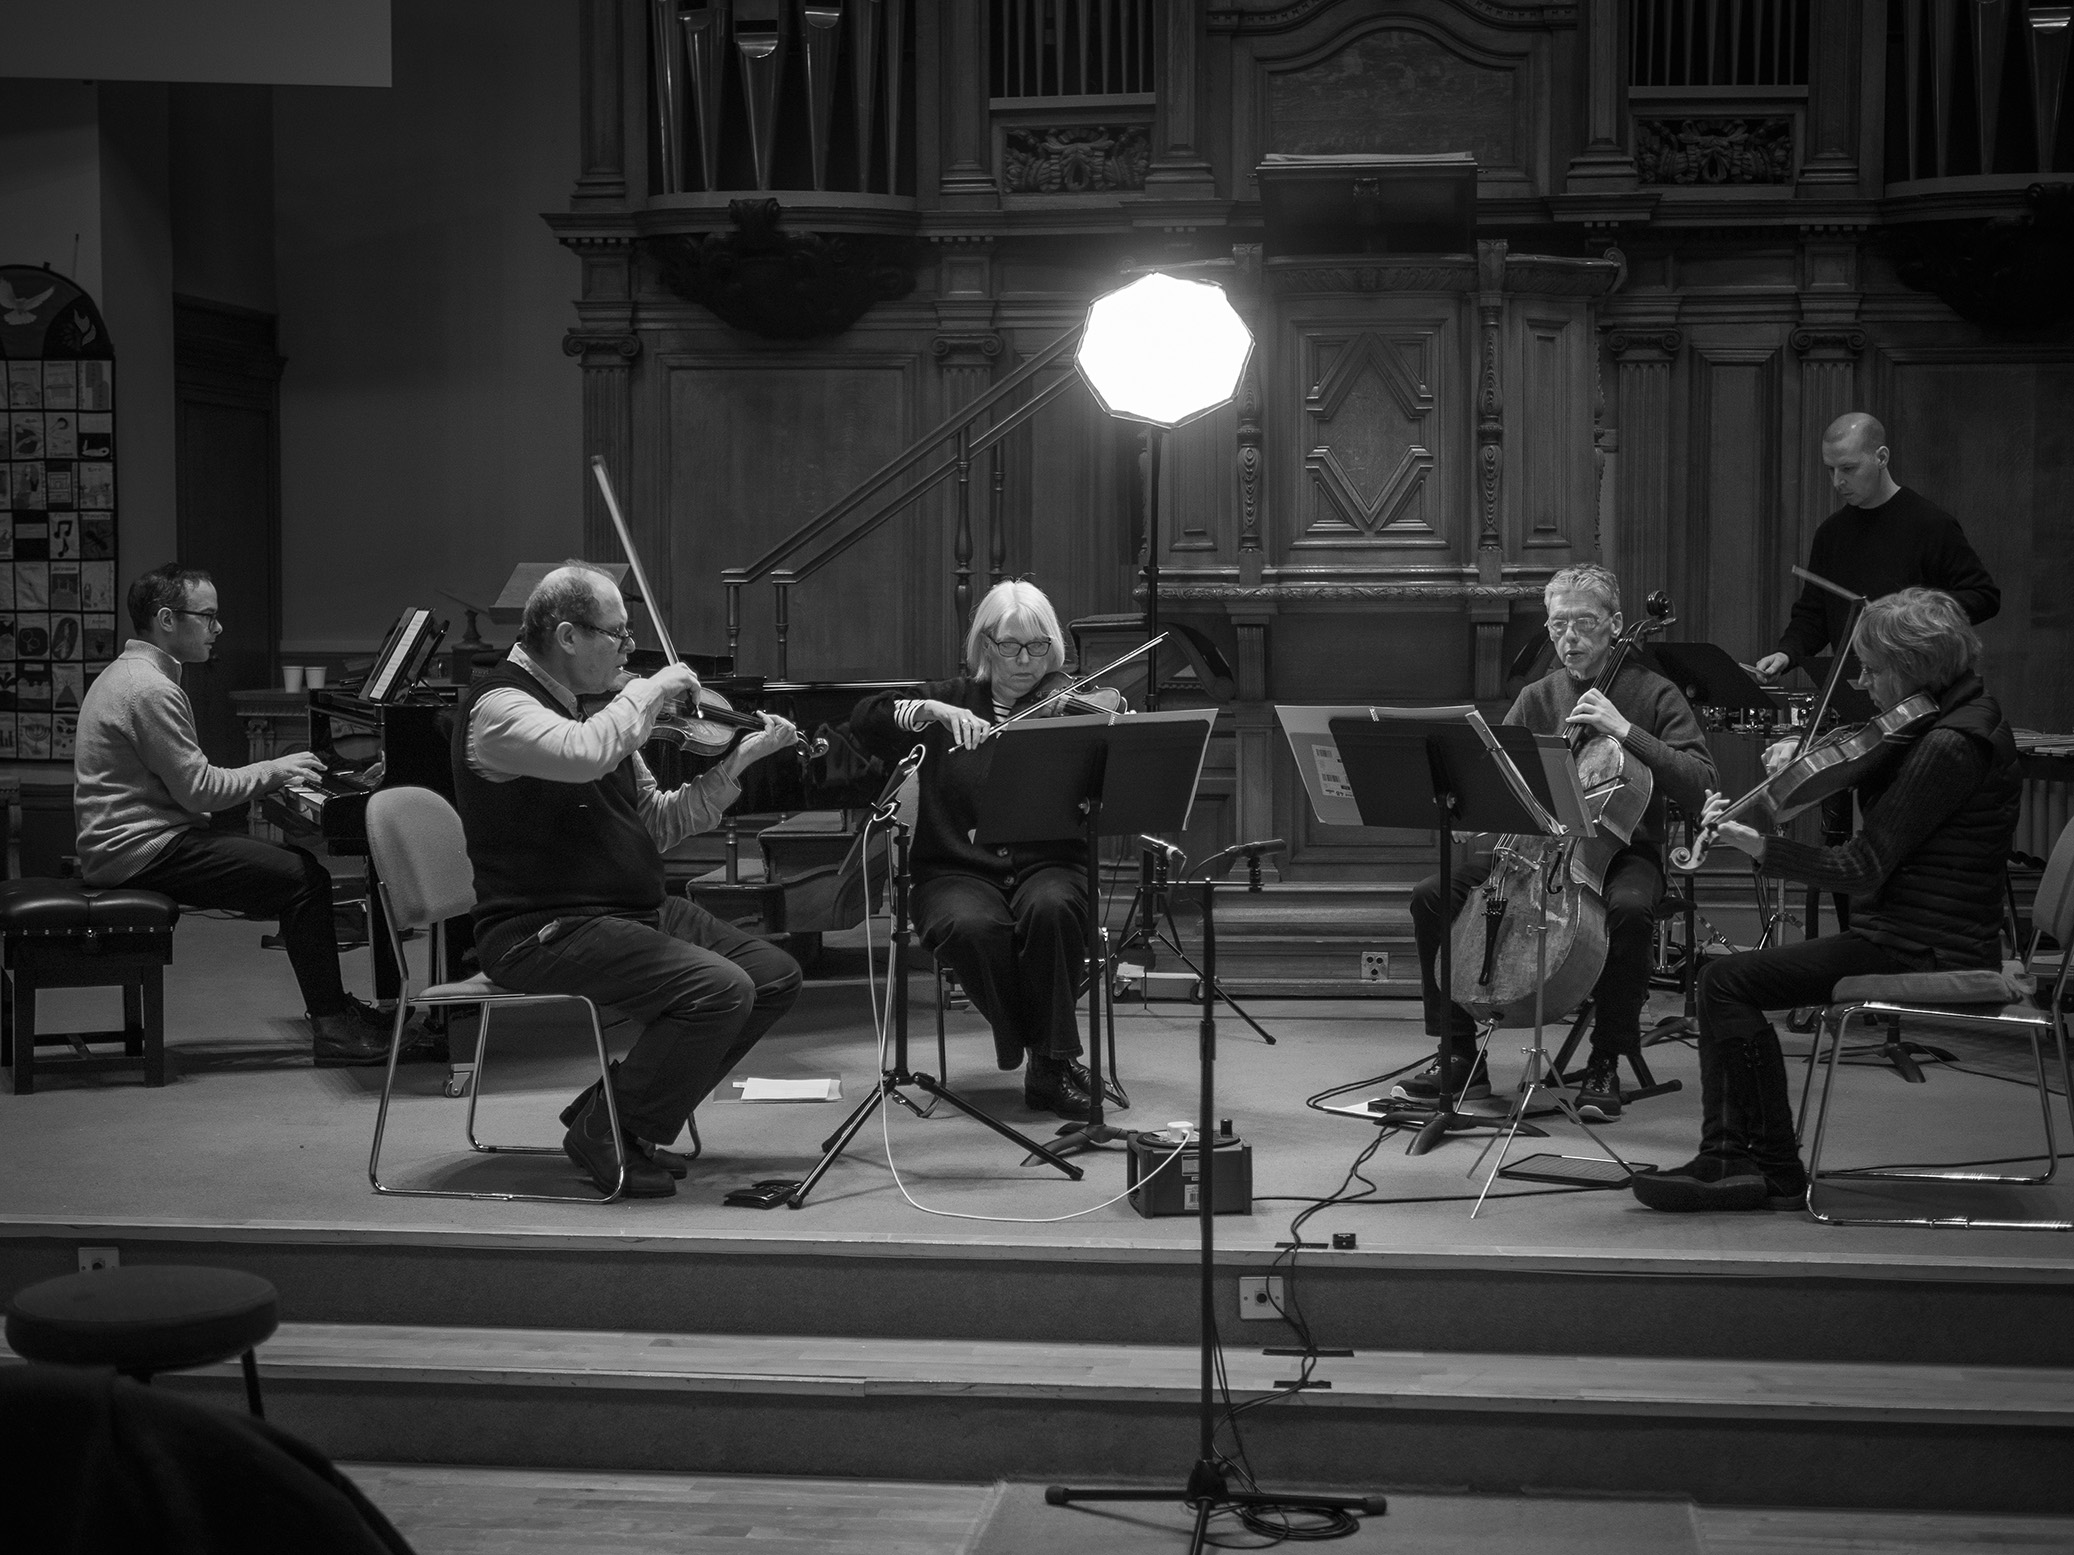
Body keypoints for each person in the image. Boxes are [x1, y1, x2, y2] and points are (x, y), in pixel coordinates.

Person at [1635, 588, 2020, 1212]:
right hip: (1915, 932)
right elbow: (1889, 800)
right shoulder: (1957, 717)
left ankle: (1764, 1167)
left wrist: (1758, 845)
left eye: (1871, 668)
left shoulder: (1950, 746)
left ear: (1913, 668)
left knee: (1725, 982)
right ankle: (1734, 1159)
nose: (1863, 682)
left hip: (1925, 948)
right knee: (1724, 980)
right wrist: (1817, 765)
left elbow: (1861, 868)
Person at [453, 562, 803, 1199]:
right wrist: (648, 689)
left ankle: (613, 1118)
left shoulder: (598, 717)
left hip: (627, 911)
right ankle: (613, 1127)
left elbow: (657, 824)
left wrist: (738, 762)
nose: (628, 649)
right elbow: (582, 750)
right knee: (719, 989)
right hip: (541, 929)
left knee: (772, 975)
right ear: (567, 636)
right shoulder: (499, 710)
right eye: (617, 635)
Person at [1404, 563, 1716, 1121]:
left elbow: (1702, 782)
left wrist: (1626, 731)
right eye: (1557, 626)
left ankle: (1605, 1060)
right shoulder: (1538, 696)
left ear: (1617, 624)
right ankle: (1457, 1055)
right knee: (1432, 894)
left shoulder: (1655, 692)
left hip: (1624, 849)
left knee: (1630, 912)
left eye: (1584, 624)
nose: (1569, 638)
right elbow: (1505, 780)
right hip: (1531, 853)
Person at [73, 563, 396, 1065]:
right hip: (138, 852)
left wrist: (269, 781)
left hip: (134, 841)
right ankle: (334, 1027)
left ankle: (337, 1012)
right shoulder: (150, 690)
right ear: (166, 619)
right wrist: (273, 769)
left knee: (291, 871)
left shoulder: (128, 674)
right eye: (207, 616)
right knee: (303, 878)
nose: (217, 628)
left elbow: (186, 786)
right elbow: (200, 791)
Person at [849, 580, 1099, 1120]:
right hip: (955, 873)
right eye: (1010, 646)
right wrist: (930, 711)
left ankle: (1047, 1060)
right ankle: (1045, 1053)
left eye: (1038, 646)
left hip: (1048, 864)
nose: (1026, 660)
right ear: (986, 645)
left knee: (1053, 908)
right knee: (970, 927)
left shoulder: (1071, 708)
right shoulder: (952, 701)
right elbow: (864, 718)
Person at [1752, 412, 1998, 684]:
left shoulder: (1931, 524)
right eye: (1830, 469)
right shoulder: (1831, 533)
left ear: (1881, 458)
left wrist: (1913, 614)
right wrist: (1787, 653)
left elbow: (1984, 596)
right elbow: (1814, 615)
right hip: (1859, 685)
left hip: (1922, 687)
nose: (1837, 482)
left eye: (1848, 468)